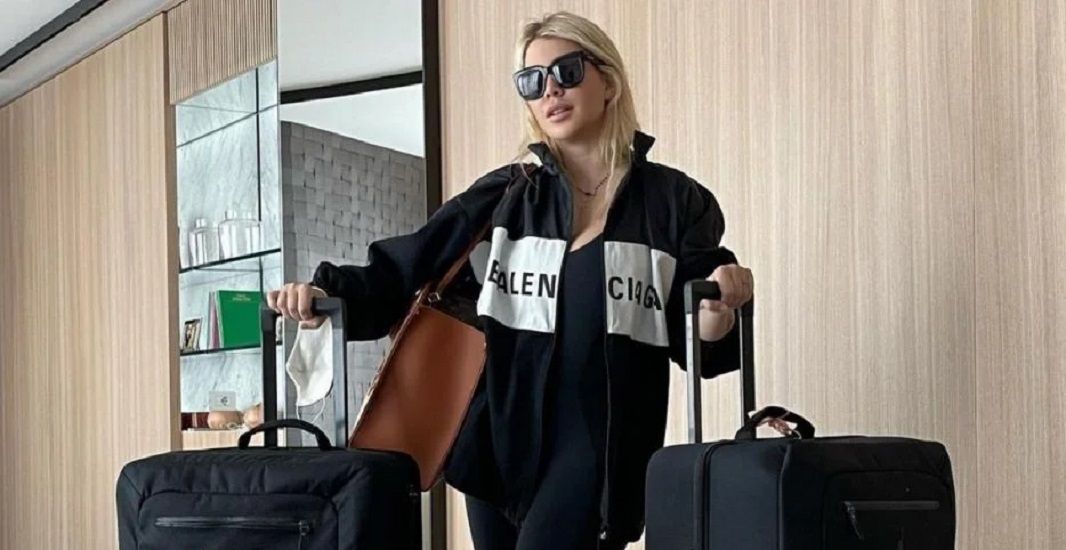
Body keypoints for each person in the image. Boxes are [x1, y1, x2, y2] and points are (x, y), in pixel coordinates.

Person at [267, 10, 754, 550]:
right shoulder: (505, 195)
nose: (551, 90)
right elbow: (405, 266)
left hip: (600, 442)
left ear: (609, 81)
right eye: (532, 81)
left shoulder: (673, 202)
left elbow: (698, 323)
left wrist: (718, 306)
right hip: (495, 441)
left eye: (567, 71)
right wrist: (324, 293)